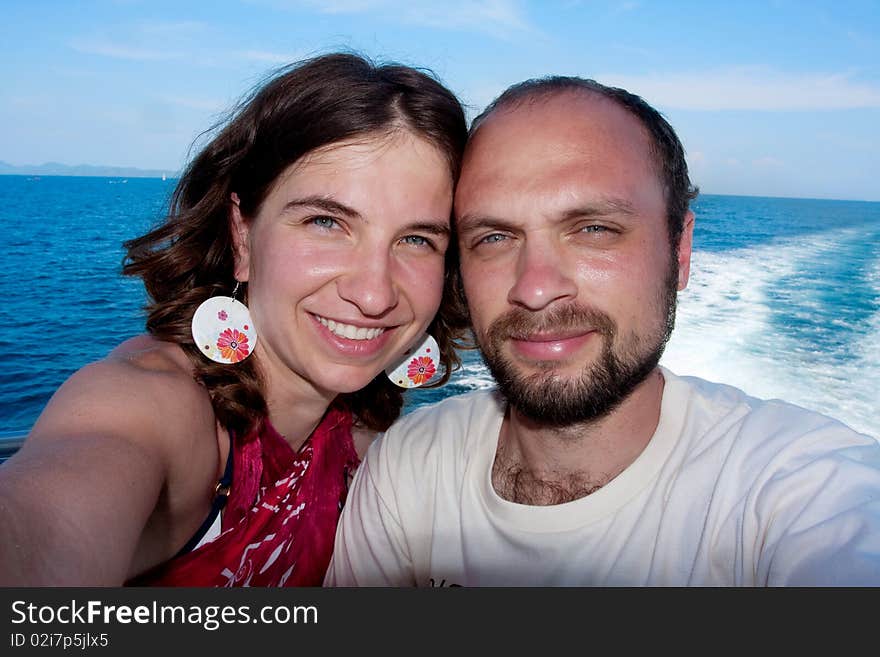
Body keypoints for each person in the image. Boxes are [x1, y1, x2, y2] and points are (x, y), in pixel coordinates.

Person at [325, 76, 880, 586]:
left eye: (594, 229)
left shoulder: (802, 487)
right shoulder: (410, 467)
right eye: (494, 237)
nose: (536, 288)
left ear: (680, 250)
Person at [0, 53, 469, 586]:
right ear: (242, 236)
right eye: (325, 222)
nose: (373, 293)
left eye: (416, 239)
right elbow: (39, 526)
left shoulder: (368, 445)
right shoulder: (161, 412)